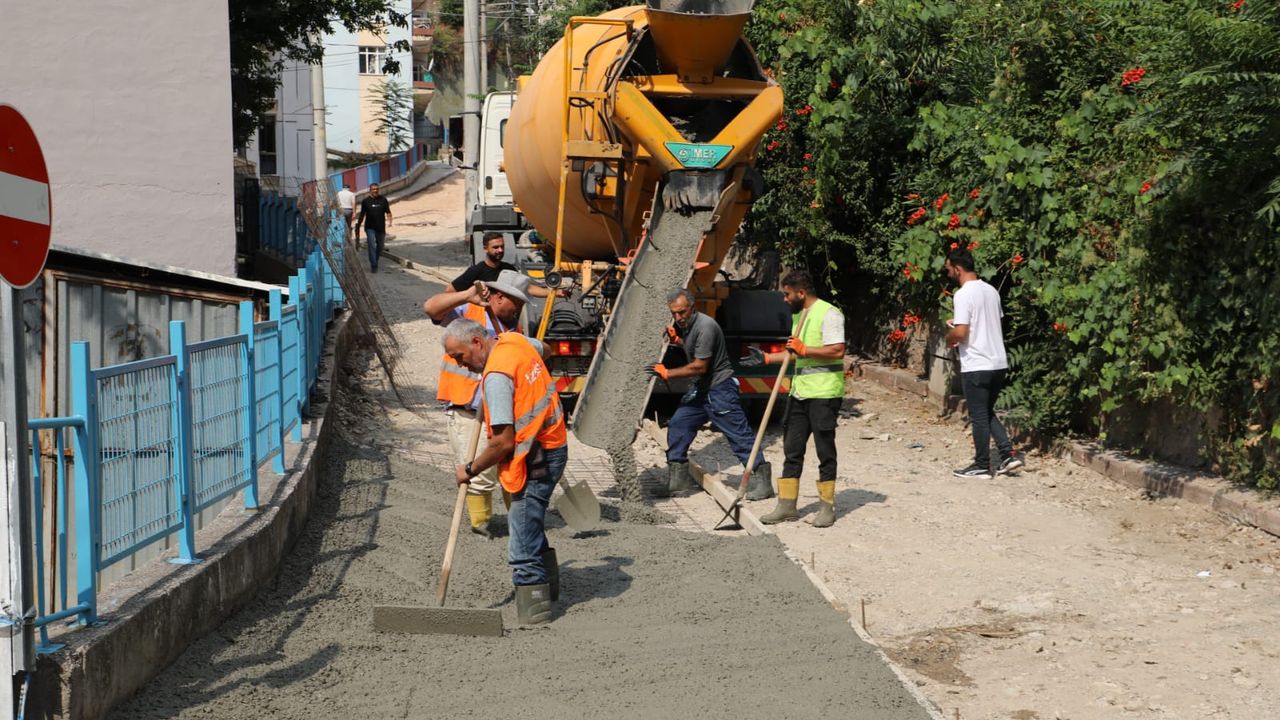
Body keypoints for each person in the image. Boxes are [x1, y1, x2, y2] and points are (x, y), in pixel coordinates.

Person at [443, 317, 567, 625]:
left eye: (460, 356)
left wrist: (469, 470)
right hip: (553, 442)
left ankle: (535, 609)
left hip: (534, 457)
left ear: (476, 342)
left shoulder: (497, 376)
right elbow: (546, 350)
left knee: (522, 533)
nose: (461, 365)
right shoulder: (515, 342)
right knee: (530, 522)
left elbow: (502, 443)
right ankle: (549, 587)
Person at [424, 269, 533, 538]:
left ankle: (519, 523)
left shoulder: (510, 327)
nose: (518, 309)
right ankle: (480, 525)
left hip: (501, 409)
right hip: (467, 408)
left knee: (512, 467)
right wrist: (467, 295)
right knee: (478, 473)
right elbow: (431, 307)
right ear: (497, 297)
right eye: (514, 302)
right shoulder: (466, 315)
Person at [741, 270, 846, 527]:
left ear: (801, 292)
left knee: (824, 451)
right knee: (792, 449)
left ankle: (826, 508)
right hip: (800, 392)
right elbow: (796, 354)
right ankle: (787, 505)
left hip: (823, 394)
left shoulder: (829, 313)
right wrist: (767, 359)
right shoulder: (800, 315)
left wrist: (805, 349)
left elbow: (837, 350)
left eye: (787, 294)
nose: (784, 299)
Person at [646, 288, 773, 499]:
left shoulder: (706, 327)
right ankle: (678, 482)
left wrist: (667, 373)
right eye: (674, 313)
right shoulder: (687, 326)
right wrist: (679, 341)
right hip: (701, 390)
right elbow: (695, 348)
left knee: (739, 436)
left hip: (720, 388)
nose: (678, 317)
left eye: (682, 312)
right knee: (679, 424)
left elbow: (699, 366)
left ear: (692, 307)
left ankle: (763, 481)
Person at [944, 248, 1023, 479]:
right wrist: (959, 325)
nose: (948, 275)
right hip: (998, 362)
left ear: (957, 269)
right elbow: (987, 322)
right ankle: (1007, 455)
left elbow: (961, 332)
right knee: (986, 411)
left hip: (977, 364)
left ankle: (981, 465)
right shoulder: (991, 291)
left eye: (949, 270)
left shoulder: (962, 294)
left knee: (978, 415)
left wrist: (950, 338)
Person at [452, 232, 564, 299]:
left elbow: (528, 288)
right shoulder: (475, 271)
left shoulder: (509, 269)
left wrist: (554, 293)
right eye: (495, 247)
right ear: (485, 249)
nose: (500, 250)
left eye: (502, 246)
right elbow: (450, 291)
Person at [354, 183, 392, 272]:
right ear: (370, 190)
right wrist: (358, 225)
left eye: (377, 189)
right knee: (371, 245)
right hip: (370, 227)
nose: (375, 191)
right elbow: (362, 214)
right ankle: (374, 265)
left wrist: (390, 220)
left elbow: (388, 212)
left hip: (381, 227)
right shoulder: (366, 201)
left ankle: (375, 259)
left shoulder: (383, 200)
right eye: (373, 189)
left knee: (380, 246)